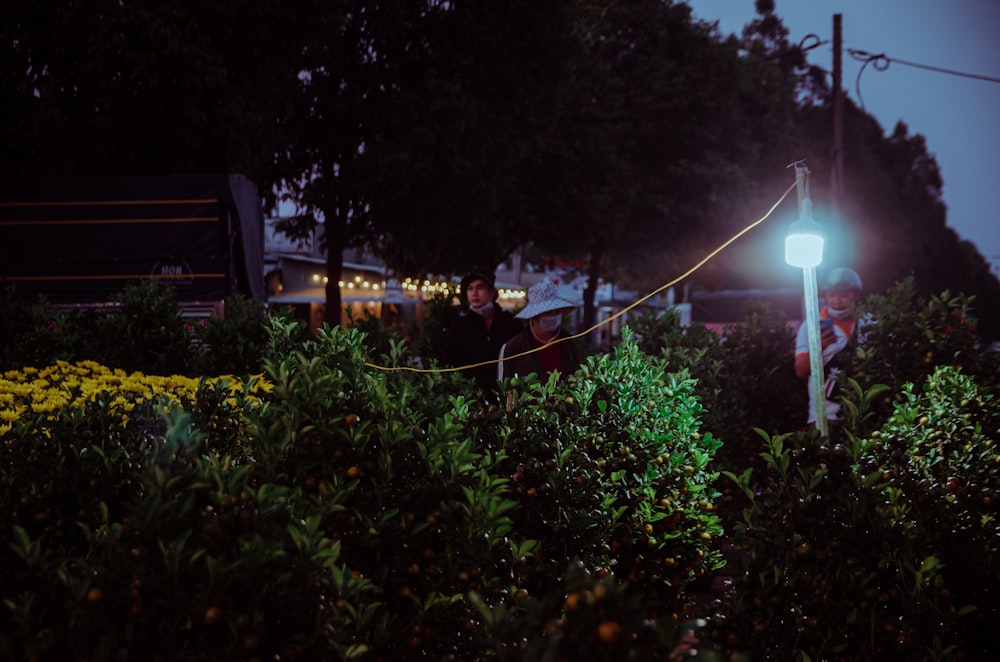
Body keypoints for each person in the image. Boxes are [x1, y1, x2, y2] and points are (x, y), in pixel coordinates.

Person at [794, 267, 866, 430]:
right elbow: (800, 370)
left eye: (844, 295)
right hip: (826, 415)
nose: (837, 301)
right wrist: (818, 346)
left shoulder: (870, 323)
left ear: (856, 295)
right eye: (832, 295)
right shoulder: (811, 326)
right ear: (825, 296)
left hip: (866, 412)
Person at [443, 268, 522, 393]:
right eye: (470, 288)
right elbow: (449, 360)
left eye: (480, 287)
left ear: (492, 292)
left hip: (506, 393)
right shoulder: (458, 325)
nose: (474, 293)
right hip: (471, 395)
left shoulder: (510, 322)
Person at [498, 280, 579, 381]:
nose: (553, 316)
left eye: (557, 311)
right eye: (547, 312)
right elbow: (504, 387)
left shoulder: (570, 345)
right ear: (534, 315)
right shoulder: (513, 347)